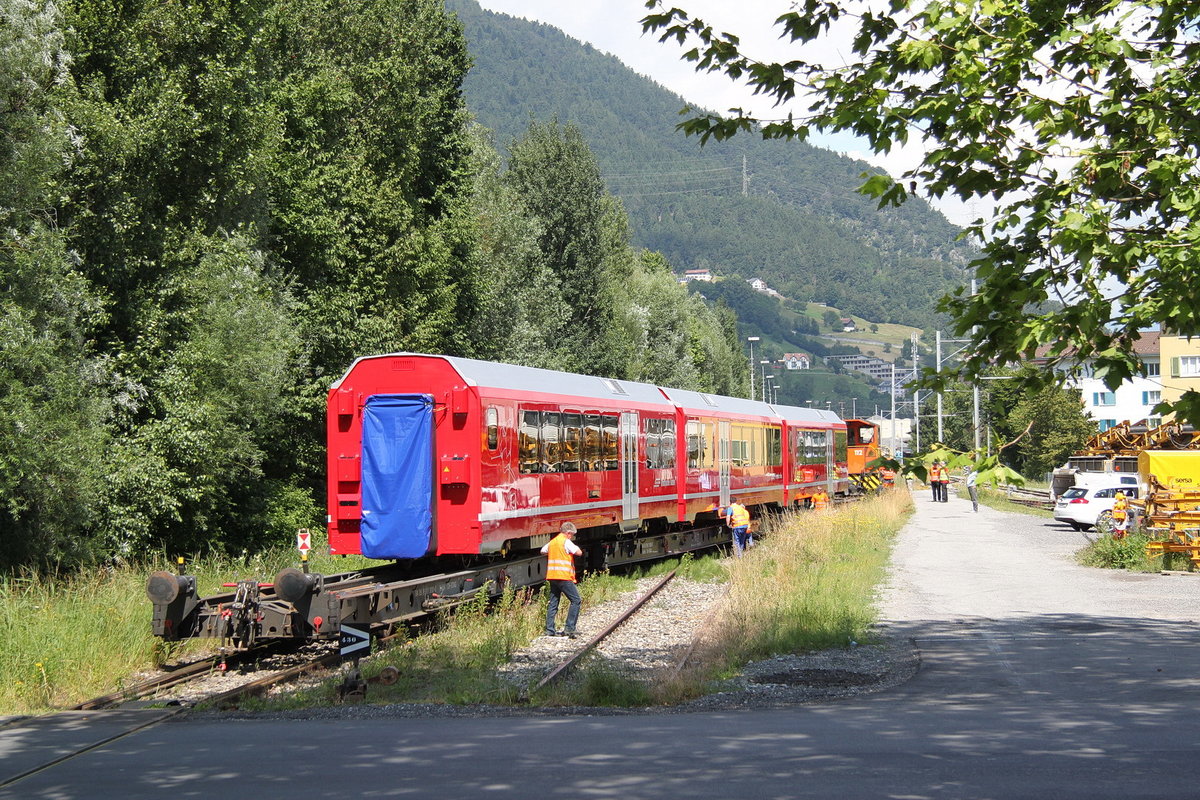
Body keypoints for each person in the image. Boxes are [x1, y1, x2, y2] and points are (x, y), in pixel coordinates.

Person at [541, 522, 583, 637]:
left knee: (553, 602)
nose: (572, 537)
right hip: (563, 577)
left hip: (552, 576)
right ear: (568, 533)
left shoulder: (553, 541)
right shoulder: (566, 541)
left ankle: (550, 630)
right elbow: (579, 552)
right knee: (576, 600)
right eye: (572, 535)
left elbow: (543, 550)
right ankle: (569, 628)